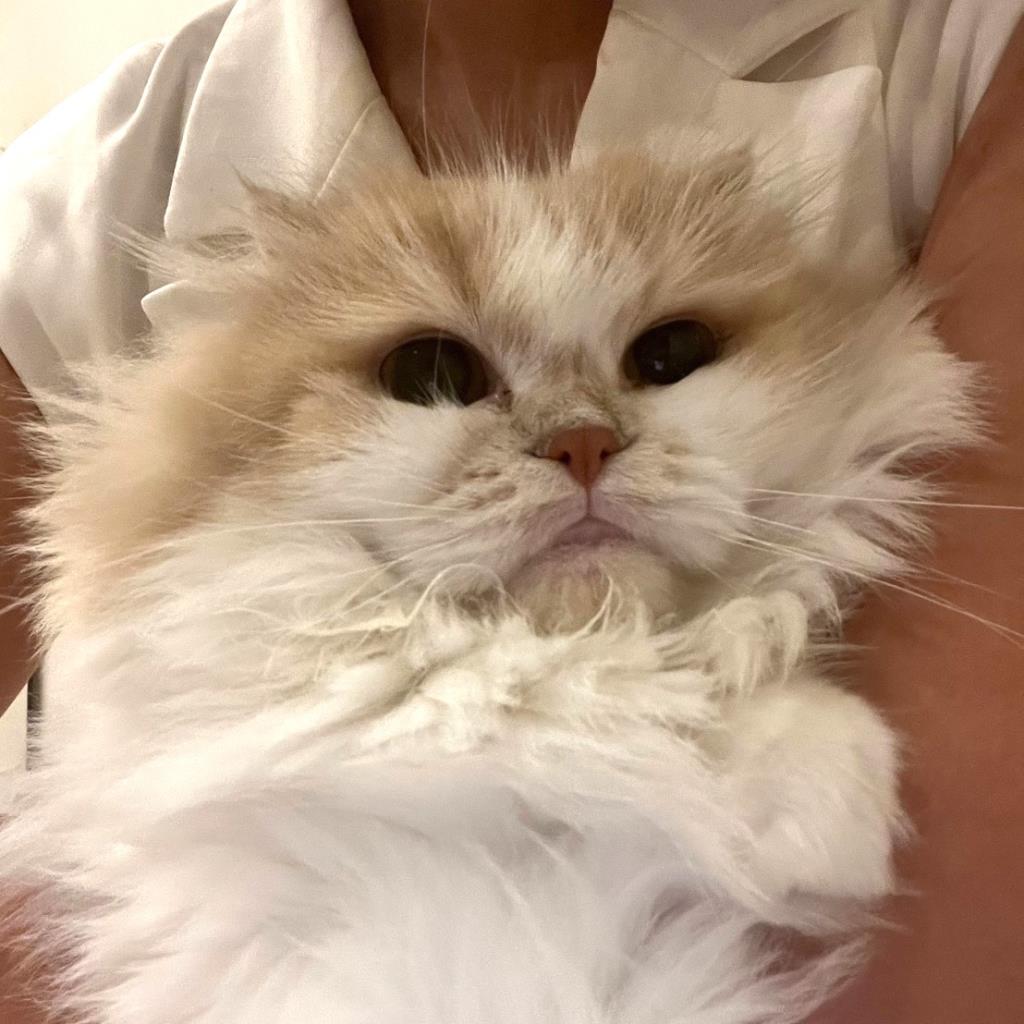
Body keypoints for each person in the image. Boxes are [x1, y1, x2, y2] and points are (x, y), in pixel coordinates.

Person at [1, 2, 1023, 1021]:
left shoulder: (958, 38)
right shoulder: (97, 171)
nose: (581, 438)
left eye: (667, 354)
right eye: (433, 372)